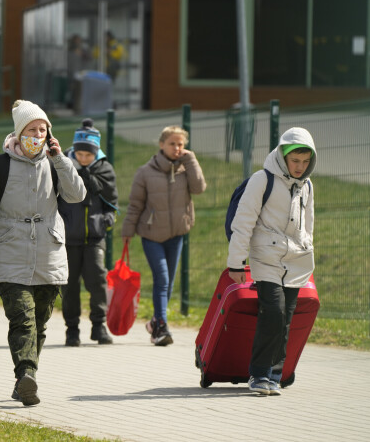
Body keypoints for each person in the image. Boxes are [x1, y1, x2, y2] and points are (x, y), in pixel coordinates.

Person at [0, 100, 86, 406]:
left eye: (43, 129)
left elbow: (77, 194)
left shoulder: (55, 163)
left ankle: (24, 381)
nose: (37, 134)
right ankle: (26, 373)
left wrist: (60, 159)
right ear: (19, 133)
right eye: (32, 129)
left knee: (40, 322)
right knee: (23, 318)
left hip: (49, 253)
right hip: (10, 250)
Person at [227, 127, 316, 396]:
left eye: (305, 162)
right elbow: (243, 222)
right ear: (282, 156)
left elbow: (307, 225)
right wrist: (236, 262)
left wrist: (307, 251)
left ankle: (276, 374)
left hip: (295, 262)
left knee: (286, 318)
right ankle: (259, 374)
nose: (300, 167)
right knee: (273, 313)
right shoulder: (261, 179)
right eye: (294, 161)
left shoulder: (307, 185)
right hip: (266, 259)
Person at [122, 126, 206, 346]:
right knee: (163, 279)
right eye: (172, 144)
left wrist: (192, 161)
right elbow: (135, 204)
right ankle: (161, 328)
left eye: (181, 144)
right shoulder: (144, 172)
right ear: (161, 144)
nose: (177, 148)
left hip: (176, 234)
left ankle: (155, 322)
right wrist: (128, 231)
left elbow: (199, 188)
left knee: (167, 284)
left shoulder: (185, 168)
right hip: (151, 235)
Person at [58, 118, 118, 347]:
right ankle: (72, 329)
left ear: (96, 152)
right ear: (74, 150)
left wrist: (106, 221)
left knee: (98, 281)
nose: (84, 159)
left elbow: (111, 202)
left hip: (94, 238)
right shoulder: (61, 166)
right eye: (80, 154)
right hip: (68, 239)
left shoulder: (104, 169)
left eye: (88, 155)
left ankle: (98, 325)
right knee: (69, 284)